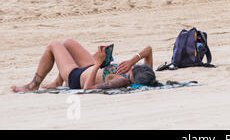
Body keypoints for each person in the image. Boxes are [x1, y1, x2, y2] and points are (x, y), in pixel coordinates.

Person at [11, 38, 158, 92]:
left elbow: (88, 88)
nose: (129, 69)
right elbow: (148, 50)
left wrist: (98, 64)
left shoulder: (122, 80)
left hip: (76, 78)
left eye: (131, 70)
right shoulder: (144, 75)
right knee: (68, 43)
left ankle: (33, 85)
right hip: (89, 68)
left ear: (132, 80)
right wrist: (133, 60)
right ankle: (57, 81)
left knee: (53, 45)